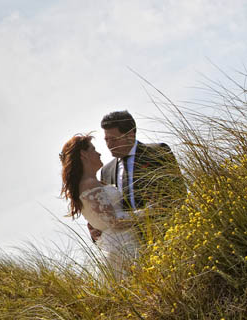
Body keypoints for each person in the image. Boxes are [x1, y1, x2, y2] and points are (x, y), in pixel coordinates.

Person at [88, 110, 185, 243]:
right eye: (106, 140)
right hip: (127, 243)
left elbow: (179, 191)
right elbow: (107, 210)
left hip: (167, 235)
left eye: (114, 139)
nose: (109, 145)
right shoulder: (106, 171)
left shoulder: (157, 152)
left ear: (130, 135)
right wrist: (97, 230)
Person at [60, 134, 140, 277]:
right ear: (84, 154)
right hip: (121, 248)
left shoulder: (89, 183)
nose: (99, 153)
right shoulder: (89, 184)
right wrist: (147, 213)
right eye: (93, 149)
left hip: (116, 244)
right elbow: (113, 221)